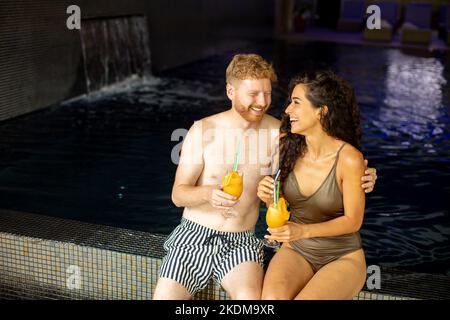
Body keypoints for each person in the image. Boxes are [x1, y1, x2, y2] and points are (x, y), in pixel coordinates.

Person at [153, 55, 377, 300]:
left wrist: (364, 175)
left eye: (267, 94)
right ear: (231, 91)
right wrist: (208, 193)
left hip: (241, 241)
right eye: (253, 94)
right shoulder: (203, 130)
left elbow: (319, 158)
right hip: (193, 236)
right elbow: (177, 195)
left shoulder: (278, 134)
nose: (262, 102)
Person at [258, 70, 370, 300]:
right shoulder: (286, 145)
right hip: (296, 250)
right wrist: (268, 197)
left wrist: (302, 230)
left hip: (342, 256)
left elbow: (353, 221)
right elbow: (280, 207)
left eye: (296, 103)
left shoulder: (349, 159)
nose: (288, 110)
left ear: (322, 111)